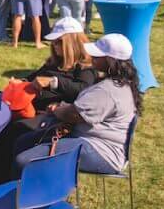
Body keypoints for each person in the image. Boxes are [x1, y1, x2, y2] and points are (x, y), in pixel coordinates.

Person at [0, 16, 99, 185]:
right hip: (31, 108)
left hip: (54, 116)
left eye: (58, 42)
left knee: (14, 132)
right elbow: (32, 78)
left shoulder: (85, 68)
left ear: (71, 42)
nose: (54, 46)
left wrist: (54, 82)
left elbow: (83, 90)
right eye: (53, 42)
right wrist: (21, 82)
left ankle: (4, 181)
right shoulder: (54, 63)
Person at [14, 33, 140, 175]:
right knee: (23, 142)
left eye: (98, 55)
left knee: (25, 161)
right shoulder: (120, 83)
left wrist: (57, 110)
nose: (93, 56)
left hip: (101, 150)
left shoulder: (108, 90)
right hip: (90, 140)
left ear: (110, 60)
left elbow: (72, 114)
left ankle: (31, 195)